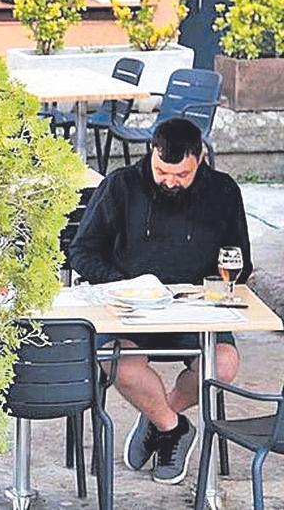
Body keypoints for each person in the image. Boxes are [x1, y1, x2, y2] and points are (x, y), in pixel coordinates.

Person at [70, 118, 252, 486]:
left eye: (181, 174)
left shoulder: (224, 191)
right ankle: (172, 427)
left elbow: (242, 261)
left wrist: (216, 284)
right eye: (162, 172)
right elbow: (82, 252)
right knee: (116, 364)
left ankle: (157, 414)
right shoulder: (121, 185)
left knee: (224, 364)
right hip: (130, 310)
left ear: (200, 158)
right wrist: (123, 284)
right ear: (151, 154)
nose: (170, 181)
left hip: (194, 309)